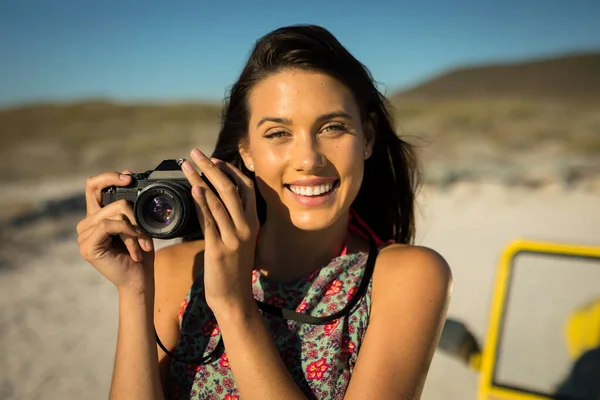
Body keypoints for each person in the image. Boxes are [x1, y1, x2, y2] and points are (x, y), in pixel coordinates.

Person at [77, 24, 452, 400]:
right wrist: (135, 290)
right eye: (277, 133)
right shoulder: (177, 271)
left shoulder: (404, 278)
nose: (309, 159)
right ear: (247, 151)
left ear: (367, 138)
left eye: (332, 127)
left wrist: (233, 305)